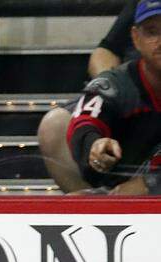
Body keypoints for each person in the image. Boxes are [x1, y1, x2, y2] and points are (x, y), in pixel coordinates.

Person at [39, 0, 139, 192]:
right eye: (151, 31)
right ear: (137, 36)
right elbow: (104, 52)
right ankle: (94, 205)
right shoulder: (143, 5)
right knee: (55, 124)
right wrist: (114, 90)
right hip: (129, 97)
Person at [66, 1, 161, 195]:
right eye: (152, 32)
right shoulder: (116, 83)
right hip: (121, 182)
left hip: (146, 183)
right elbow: (85, 122)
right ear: (136, 38)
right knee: (76, 199)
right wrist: (95, 145)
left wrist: (150, 185)